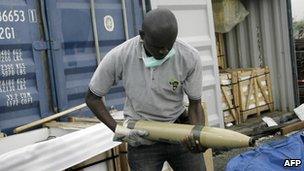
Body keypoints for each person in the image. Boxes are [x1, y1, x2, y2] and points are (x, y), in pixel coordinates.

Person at [85, 8, 206, 171]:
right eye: (158, 47)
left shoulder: (189, 57)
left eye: (169, 46)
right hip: (142, 139)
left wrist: (199, 135)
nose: (164, 51)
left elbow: (195, 104)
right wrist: (120, 131)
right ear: (142, 36)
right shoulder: (121, 55)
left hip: (179, 131)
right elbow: (92, 98)